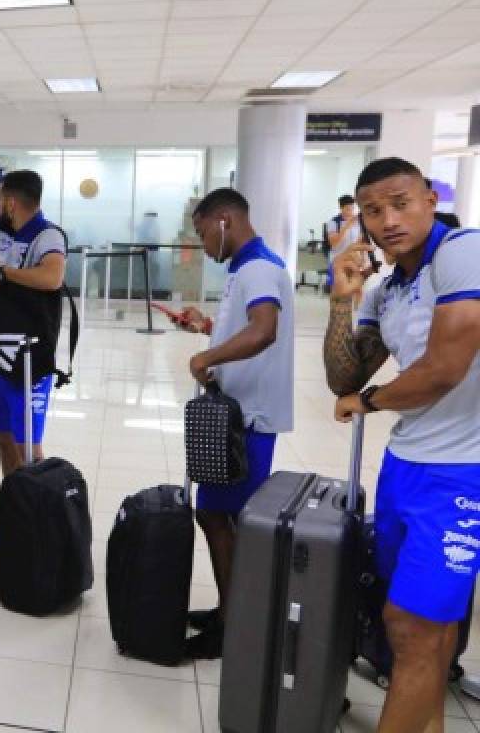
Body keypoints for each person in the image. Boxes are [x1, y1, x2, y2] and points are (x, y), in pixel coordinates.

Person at [324, 158, 480, 733]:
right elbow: (342, 375)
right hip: (404, 466)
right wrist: (344, 298)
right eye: (373, 211)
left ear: (429, 201)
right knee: (419, 633)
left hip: (465, 474)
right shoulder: (387, 288)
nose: (387, 220)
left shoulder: (463, 252)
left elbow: (445, 369)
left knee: (412, 625)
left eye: (401, 203)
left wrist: (370, 400)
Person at [174, 187, 295, 659]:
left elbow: (264, 330)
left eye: (203, 232)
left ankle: (234, 623)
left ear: (224, 220)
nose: (203, 244)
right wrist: (208, 328)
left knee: (218, 514)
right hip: (239, 412)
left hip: (248, 418)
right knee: (220, 514)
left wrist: (210, 354)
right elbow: (247, 327)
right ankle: (232, 609)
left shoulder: (259, 266)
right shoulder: (246, 268)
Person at [0, 169, 67, 552]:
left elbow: (51, 278)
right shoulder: (0, 234)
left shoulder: (49, 235)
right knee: (4, 438)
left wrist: (6, 273)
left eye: (0, 198)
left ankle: (39, 527)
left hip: (30, 357)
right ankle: (15, 519)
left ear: (11, 201)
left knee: (30, 444)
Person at [326, 194, 362, 296]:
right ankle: (336, 311)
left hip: (353, 259)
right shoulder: (333, 222)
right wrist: (346, 226)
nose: (350, 212)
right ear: (341, 208)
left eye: (352, 208)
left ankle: (357, 311)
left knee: (357, 289)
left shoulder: (357, 222)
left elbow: (359, 241)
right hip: (337, 259)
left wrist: (362, 257)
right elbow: (334, 242)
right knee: (338, 290)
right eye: (347, 209)